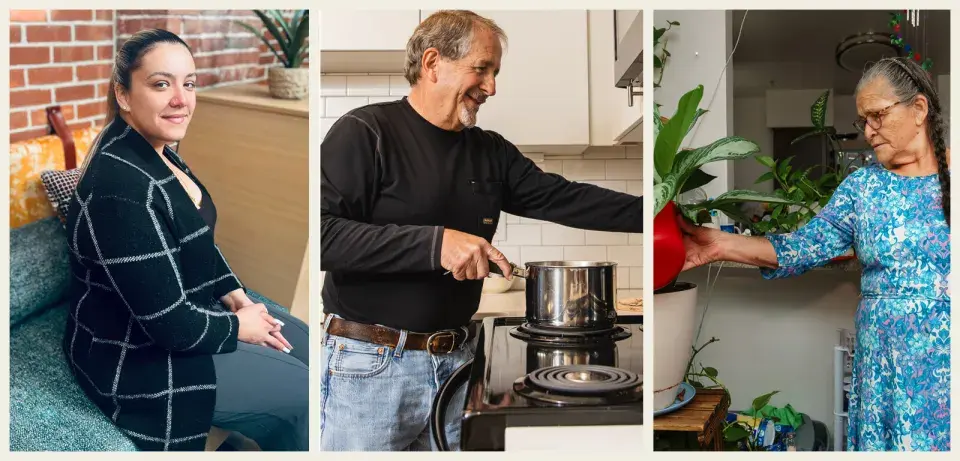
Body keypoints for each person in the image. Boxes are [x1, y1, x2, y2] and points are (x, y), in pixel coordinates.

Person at [320, 10, 643, 451]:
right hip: (371, 369)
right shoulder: (365, 132)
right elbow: (323, 235)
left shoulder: (489, 152)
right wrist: (437, 244)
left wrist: (660, 216)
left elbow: (567, 199)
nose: (491, 87)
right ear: (433, 63)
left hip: (460, 365)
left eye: (495, 72)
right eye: (482, 69)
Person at [678, 57, 949, 451]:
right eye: (863, 121)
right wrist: (718, 244)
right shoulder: (863, 188)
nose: (869, 131)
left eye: (877, 116)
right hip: (883, 369)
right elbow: (800, 247)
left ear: (919, 109)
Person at [63, 29, 308, 451]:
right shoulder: (119, 189)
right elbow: (170, 325)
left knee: (310, 349)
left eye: (188, 83)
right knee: (306, 393)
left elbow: (196, 239)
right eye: (162, 84)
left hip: (188, 311)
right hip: (137, 354)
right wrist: (238, 326)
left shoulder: (155, 147)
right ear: (123, 95)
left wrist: (233, 291)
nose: (182, 99)